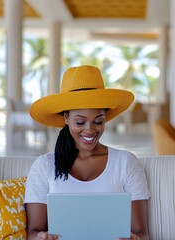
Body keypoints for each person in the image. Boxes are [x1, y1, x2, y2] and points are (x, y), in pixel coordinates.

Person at [24, 65, 151, 240]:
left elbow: (142, 233)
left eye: (98, 121)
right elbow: (32, 232)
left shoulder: (126, 163)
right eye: (80, 122)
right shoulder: (44, 166)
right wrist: (41, 237)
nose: (90, 130)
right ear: (66, 118)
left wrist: (135, 239)